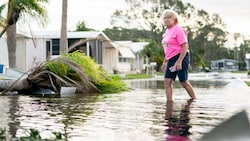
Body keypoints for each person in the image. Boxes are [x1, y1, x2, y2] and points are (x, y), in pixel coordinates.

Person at [161, 9, 196, 101]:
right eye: (165, 18)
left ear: (174, 19)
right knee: (167, 81)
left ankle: (194, 100)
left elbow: (185, 45)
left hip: (181, 56)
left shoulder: (178, 29)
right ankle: (169, 102)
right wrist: (164, 62)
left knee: (183, 81)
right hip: (171, 58)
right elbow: (168, 49)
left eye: (169, 17)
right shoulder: (167, 32)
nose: (166, 19)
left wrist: (179, 61)